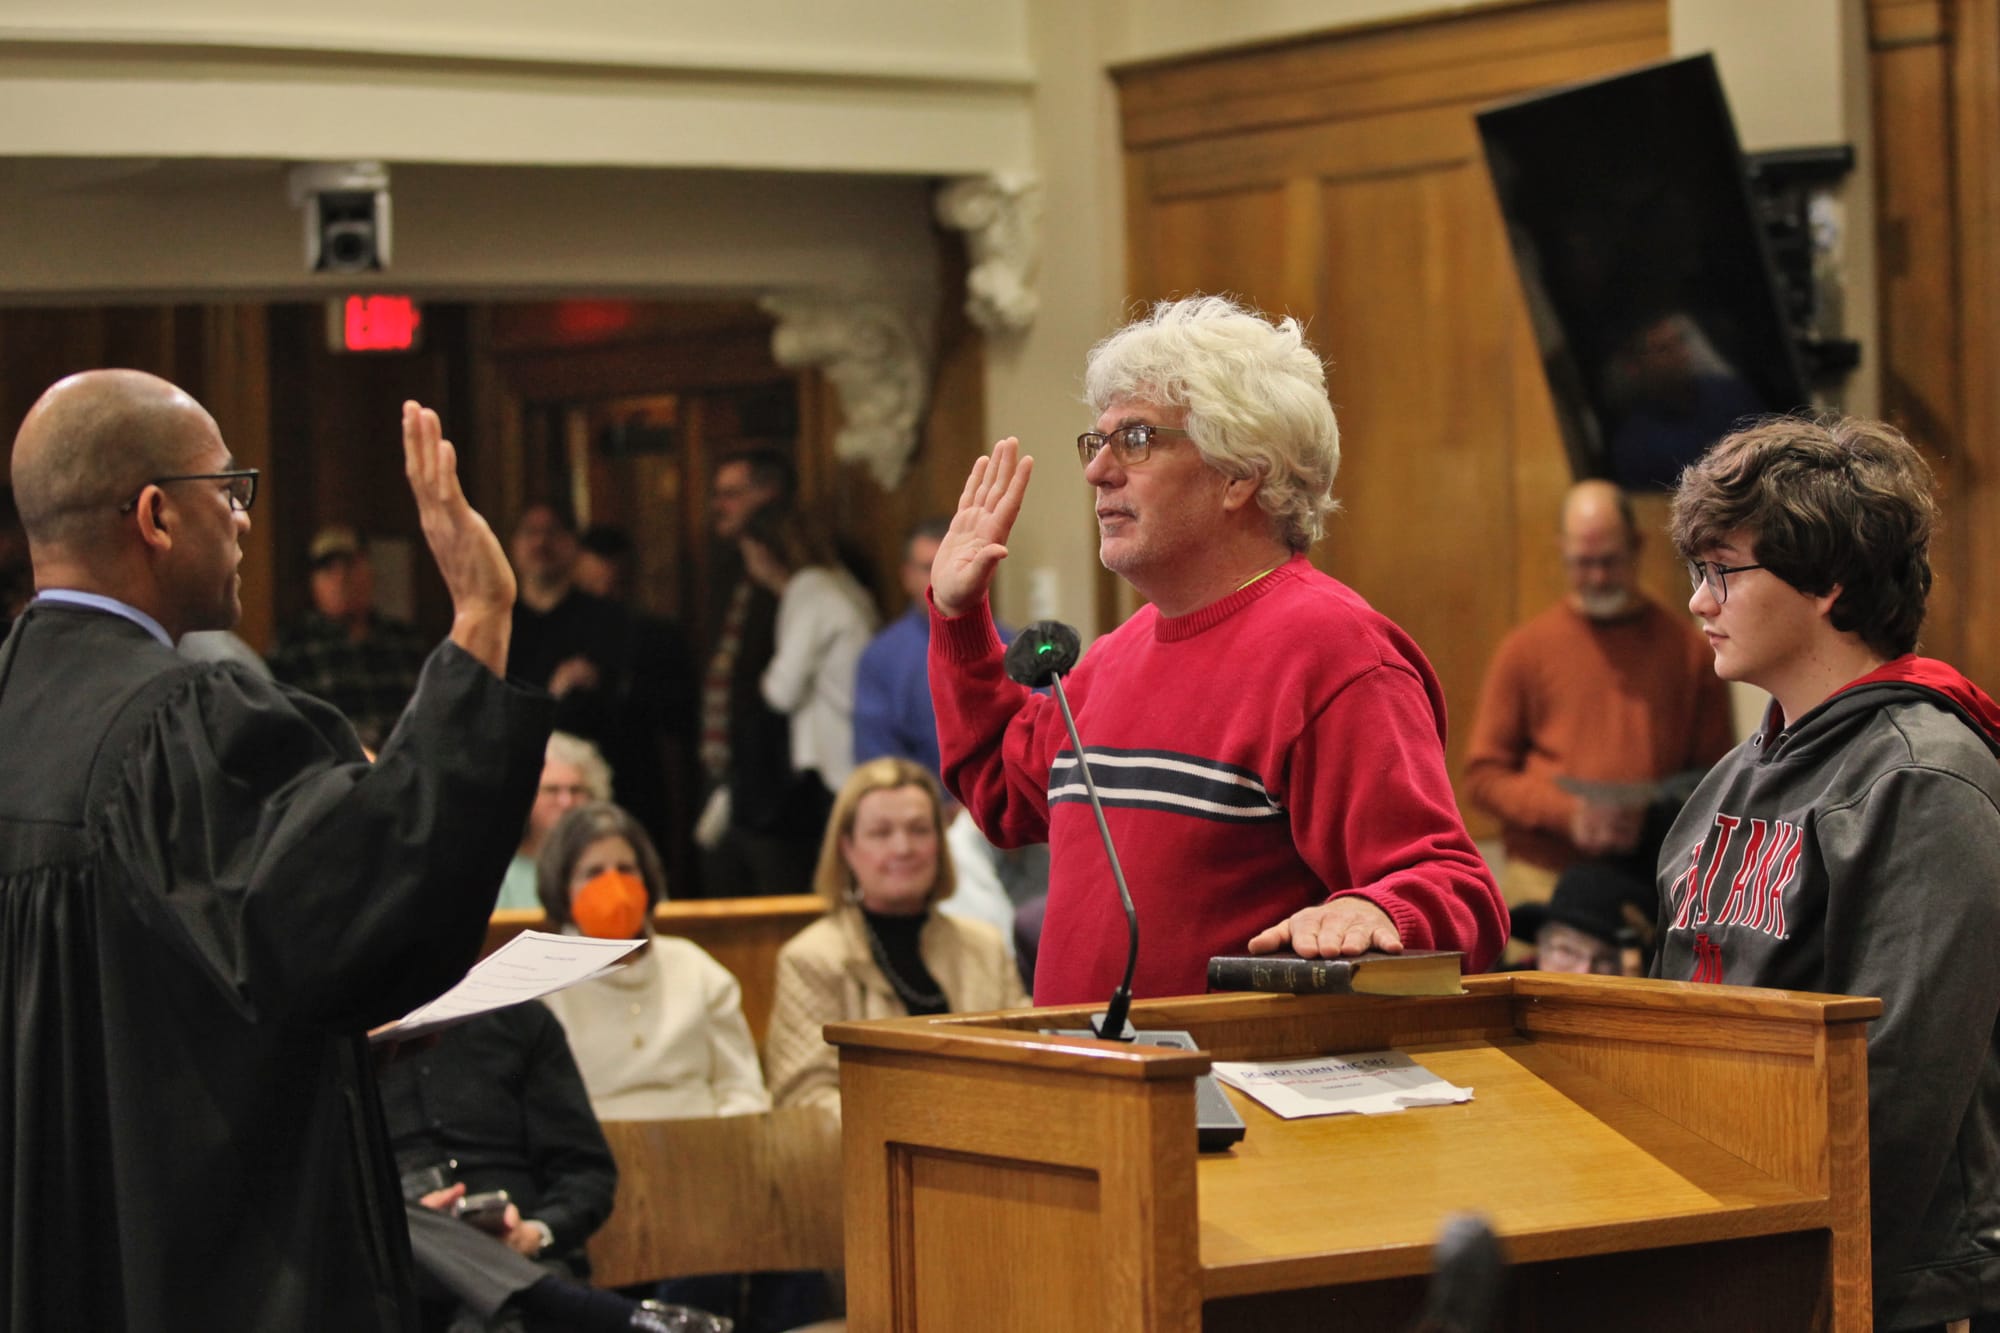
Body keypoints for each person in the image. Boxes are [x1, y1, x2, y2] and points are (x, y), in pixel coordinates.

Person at [0, 372, 553, 1331]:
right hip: (188, 1263)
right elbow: (361, 922)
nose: (245, 518)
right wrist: (480, 617)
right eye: (228, 489)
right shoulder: (177, 727)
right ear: (156, 516)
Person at [928, 295, 1507, 1004]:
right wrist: (958, 617)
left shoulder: (1333, 653)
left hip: (1235, 1076)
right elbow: (1000, 791)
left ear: (1239, 472)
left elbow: (1454, 888)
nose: (1097, 471)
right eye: (1097, 442)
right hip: (1088, 1071)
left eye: (1135, 439)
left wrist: (1380, 911)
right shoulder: (1115, 656)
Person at [1655, 414, 2000, 1332]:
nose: (1698, 601)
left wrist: (1801, 1279)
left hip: (1879, 1284)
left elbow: (1900, 1085)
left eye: (1723, 570)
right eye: (1698, 570)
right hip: (1737, 1238)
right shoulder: (1726, 784)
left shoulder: (1924, 778)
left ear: (1827, 581)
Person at [1464, 480, 1734, 908]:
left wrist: (1650, 816)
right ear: (1562, 551)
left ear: (1637, 546)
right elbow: (1483, 778)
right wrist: (1568, 815)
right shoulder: (1525, 650)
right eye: (1583, 563)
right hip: (1544, 880)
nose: (1598, 577)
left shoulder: (1688, 650)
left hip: (1652, 877)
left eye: (1609, 561)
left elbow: (1718, 777)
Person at [765, 757, 1027, 1114]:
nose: (903, 848)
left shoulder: (985, 946)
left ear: (940, 842)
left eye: (919, 830)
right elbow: (804, 1099)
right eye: (881, 833)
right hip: (873, 1146)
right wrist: (921, 1125)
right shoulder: (811, 959)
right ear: (847, 848)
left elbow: (1027, 1061)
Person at [536, 801, 769, 1120]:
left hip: (703, 1141)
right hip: (592, 1145)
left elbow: (742, 1088)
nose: (614, 886)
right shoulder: (543, 988)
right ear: (563, 888)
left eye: (625, 869)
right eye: (594, 873)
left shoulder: (696, 969)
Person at [508, 501, 675, 854]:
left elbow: (633, 713)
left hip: (599, 785)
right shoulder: (502, 624)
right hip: (522, 791)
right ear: (514, 545)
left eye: (552, 532)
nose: (541, 543)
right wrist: (553, 692)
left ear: (572, 545)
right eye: (530, 533)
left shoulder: (610, 619)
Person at [696, 450, 809, 896]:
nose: (718, 506)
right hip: (725, 765)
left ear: (769, 494)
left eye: (731, 494)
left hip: (779, 779)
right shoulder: (725, 569)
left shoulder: (804, 577)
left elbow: (782, 690)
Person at [741, 501, 877, 811]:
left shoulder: (811, 591)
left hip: (839, 761)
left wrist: (761, 680)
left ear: (762, 551)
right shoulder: (839, 582)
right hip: (852, 751)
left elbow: (781, 692)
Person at [268, 522, 431, 751]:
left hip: (406, 763)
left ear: (369, 571)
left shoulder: (405, 642)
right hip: (339, 768)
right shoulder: (292, 650)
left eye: (350, 565)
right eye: (328, 569)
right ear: (313, 583)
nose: (341, 578)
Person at [495, 732, 613, 911]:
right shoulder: (500, 871)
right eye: (552, 790)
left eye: (576, 790)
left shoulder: (612, 865)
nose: (566, 802)